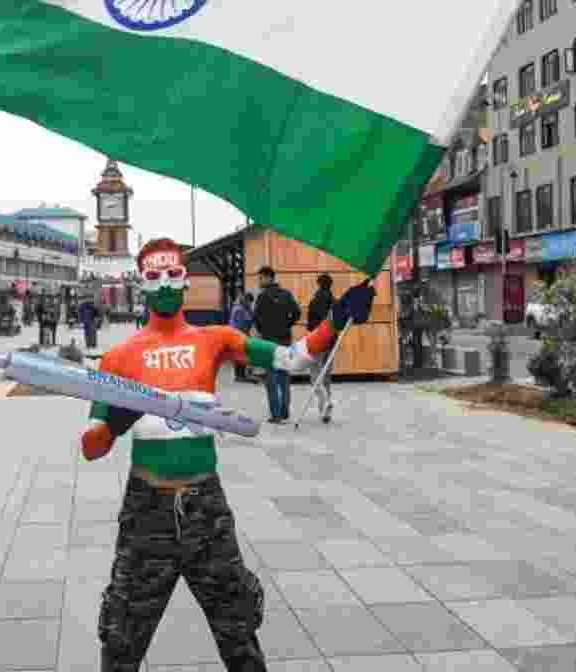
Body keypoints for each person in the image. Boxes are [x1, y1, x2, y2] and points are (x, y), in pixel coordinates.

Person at [81, 238, 366, 671]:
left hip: (205, 508)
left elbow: (292, 359)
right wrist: (116, 419)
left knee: (238, 630)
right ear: (142, 283)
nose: (164, 285)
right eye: (154, 276)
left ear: (185, 281)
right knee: (121, 639)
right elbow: (91, 446)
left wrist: (336, 319)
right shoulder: (119, 358)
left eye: (172, 275)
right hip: (146, 511)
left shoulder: (214, 339)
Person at [253, 266, 301, 423]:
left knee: (271, 378)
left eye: (261, 278)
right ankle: (285, 411)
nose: (259, 281)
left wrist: (264, 331)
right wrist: (287, 325)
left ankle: (276, 415)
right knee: (284, 376)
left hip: (269, 341)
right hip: (285, 339)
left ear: (269, 278)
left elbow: (256, 319)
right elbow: (297, 313)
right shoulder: (286, 294)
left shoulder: (262, 297)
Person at [306, 274, 337, 421]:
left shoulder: (315, 301)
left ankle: (324, 402)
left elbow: (310, 325)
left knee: (315, 376)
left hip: (317, 342)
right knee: (326, 377)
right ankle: (326, 410)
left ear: (318, 284)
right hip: (331, 342)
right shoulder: (335, 302)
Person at [229, 293, 254, 382]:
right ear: (246, 300)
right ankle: (239, 376)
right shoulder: (239, 309)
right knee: (240, 355)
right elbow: (243, 323)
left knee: (242, 354)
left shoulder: (244, 308)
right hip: (238, 335)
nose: (250, 304)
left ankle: (241, 374)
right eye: (250, 302)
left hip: (241, 334)